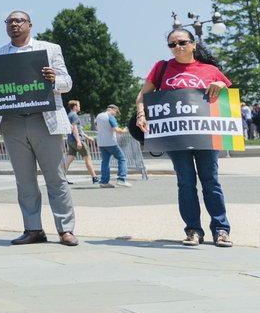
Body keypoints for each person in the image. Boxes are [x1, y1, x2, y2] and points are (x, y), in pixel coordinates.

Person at [0, 11, 78, 247]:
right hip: (12, 122)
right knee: (24, 180)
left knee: (56, 178)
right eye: (9, 22)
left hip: (45, 119)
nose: (14, 25)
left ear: (30, 25)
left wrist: (54, 80)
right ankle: (33, 229)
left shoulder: (50, 49)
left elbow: (67, 83)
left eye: (19, 21)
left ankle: (66, 229)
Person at [134, 27, 233, 247]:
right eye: (172, 44)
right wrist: (142, 114)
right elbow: (143, 95)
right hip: (175, 136)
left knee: (211, 181)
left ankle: (221, 230)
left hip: (206, 135)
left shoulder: (211, 69)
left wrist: (221, 85)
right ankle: (193, 231)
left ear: (193, 44)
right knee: (185, 182)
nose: (177, 47)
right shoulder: (162, 68)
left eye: (182, 42)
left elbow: (229, 100)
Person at [94, 105, 131, 188]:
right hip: (111, 142)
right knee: (122, 159)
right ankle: (121, 179)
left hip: (101, 142)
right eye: (116, 113)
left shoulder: (99, 116)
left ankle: (104, 181)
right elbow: (116, 130)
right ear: (113, 109)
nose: (115, 115)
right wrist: (125, 130)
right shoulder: (110, 116)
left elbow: (97, 127)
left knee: (105, 162)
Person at [62, 101, 98, 185]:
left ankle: (62, 178)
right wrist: (79, 141)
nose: (79, 107)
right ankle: (94, 177)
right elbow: (75, 129)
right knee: (87, 158)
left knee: (69, 160)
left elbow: (78, 130)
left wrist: (88, 137)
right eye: (78, 105)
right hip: (76, 140)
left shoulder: (69, 115)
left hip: (70, 140)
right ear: (74, 106)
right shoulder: (74, 116)